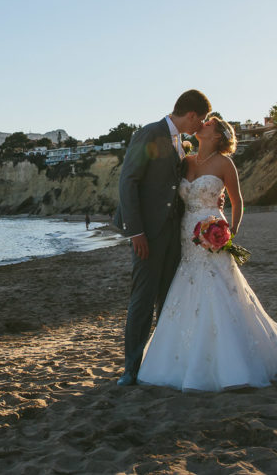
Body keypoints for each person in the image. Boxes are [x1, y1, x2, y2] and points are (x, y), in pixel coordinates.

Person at [136, 114, 277, 391]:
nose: (203, 125)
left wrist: (229, 231)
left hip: (213, 229)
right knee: (187, 284)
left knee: (220, 287)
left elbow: (237, 201)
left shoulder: (225, 164)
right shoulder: (185, 161)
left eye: (208, 124)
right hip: (186, 234)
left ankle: (232, 362)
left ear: (218, 135)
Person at [113, 89, 211, 386]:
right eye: (201, 119)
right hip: (148, 233)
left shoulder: (180, 142)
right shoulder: (149, 133)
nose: (201, 126)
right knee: (142, 301)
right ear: (191, 114)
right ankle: (131, 369)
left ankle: (161, 364)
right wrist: (136, 232)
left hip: (174, 232)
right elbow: (128, 181)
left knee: (168, 299)